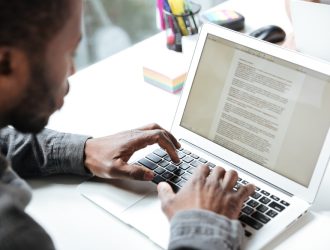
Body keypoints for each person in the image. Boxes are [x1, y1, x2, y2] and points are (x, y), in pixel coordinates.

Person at [0, 1, 254, 249]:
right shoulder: (15, 237)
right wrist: (201, 229)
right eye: (69, 52)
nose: (72, 71)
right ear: (5, 62)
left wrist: (84, 151)